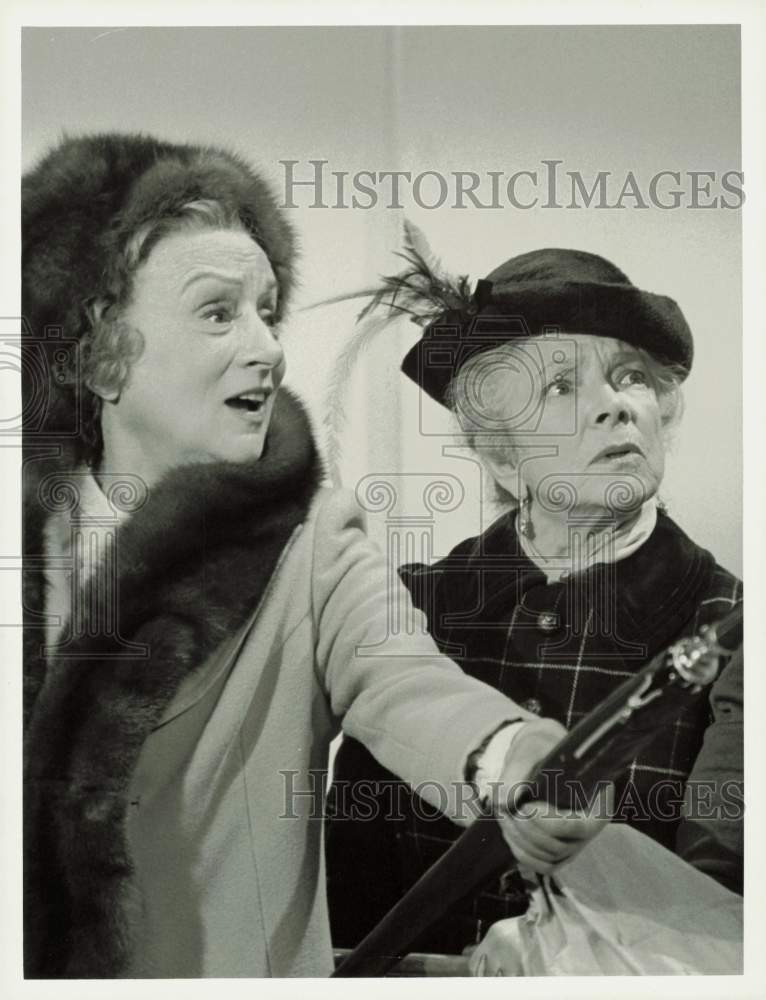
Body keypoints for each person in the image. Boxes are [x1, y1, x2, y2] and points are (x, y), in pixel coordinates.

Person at [20, 134, 608, 979]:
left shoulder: (313, 546)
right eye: (219, 311)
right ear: (98, 359)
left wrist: (508, 754)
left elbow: (405, 682)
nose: (268, 348)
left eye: (268, 310)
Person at [326, 240, 743, 954]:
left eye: (631, 376)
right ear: (500, 456)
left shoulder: (730, 629)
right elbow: (352, 897)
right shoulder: (410, 607)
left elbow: (713, 929)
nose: (614, 407)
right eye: (560, 388)